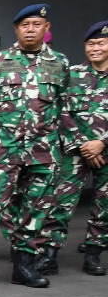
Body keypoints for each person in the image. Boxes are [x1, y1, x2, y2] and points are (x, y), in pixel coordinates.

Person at [0, 4, 69, 291]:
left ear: (46, 28)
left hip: (43, 152)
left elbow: (63, 107)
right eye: (24, 25)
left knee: (35, 210)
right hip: (2, 151)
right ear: (16, 29)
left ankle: (24, 266)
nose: (30, 29)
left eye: (35, 24)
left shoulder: (59, 63)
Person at [52, 21, 108, 276]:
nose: (95, 48)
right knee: (61, 202)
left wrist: (102, 143)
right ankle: (49, 254)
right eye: (91, 44)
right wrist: (83, 145)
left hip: (105, 150)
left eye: (101, 43)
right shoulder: (71, 73)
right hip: (75, 151)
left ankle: (93, 254)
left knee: (104, 204)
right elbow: (59, 110)